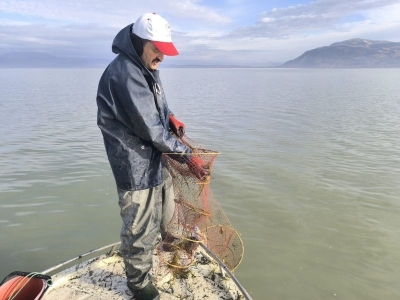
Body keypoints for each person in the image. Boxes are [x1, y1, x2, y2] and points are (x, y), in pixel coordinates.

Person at [96, 12, 208, 300]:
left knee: (167, 214)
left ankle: (169, 245)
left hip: (155, 161)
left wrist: (170, 116)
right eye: (157, 48)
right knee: (140, 231)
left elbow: (155, 108)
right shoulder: (124, 73)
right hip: (135, 167)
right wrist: (188, 158)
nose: (162, 56)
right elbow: (151, 130)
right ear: (139, 41)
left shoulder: (145, 66)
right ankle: (139, 284)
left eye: (165, 50)